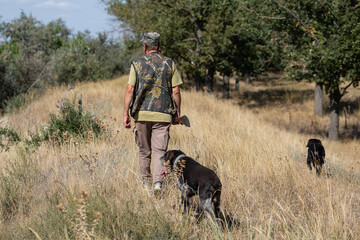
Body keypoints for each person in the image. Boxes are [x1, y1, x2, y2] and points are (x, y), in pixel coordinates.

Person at [123, 32, 183, 190]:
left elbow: (130, 89)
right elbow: (175, 90)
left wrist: (125, 114)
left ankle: (145, 183)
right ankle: (158, 183)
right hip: (163, 115)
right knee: (159, 150)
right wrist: (177, 113)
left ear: (144, 47)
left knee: (144, 151)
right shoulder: (169, 63)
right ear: (158, 46)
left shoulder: (136, 64)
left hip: (141, 114)